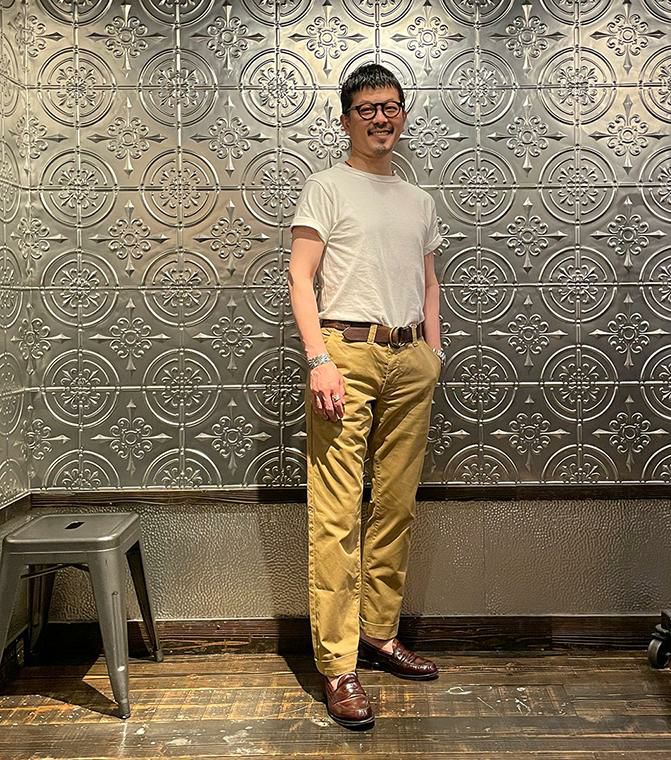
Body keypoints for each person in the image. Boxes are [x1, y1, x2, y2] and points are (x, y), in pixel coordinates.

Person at [287, 63, 445, 729]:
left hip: (410, 358)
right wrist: (319, 359)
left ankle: (379, 634)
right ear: (347, 118)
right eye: (367, 108)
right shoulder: (326, 187)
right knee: (337, 512)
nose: (381, 118)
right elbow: (300, 277)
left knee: (396, 506)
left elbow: (429, 281)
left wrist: (434, 352)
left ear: (403, 114)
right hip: (344, 354)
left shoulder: (419, 199)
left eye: (391, 106)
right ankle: (337, 664)